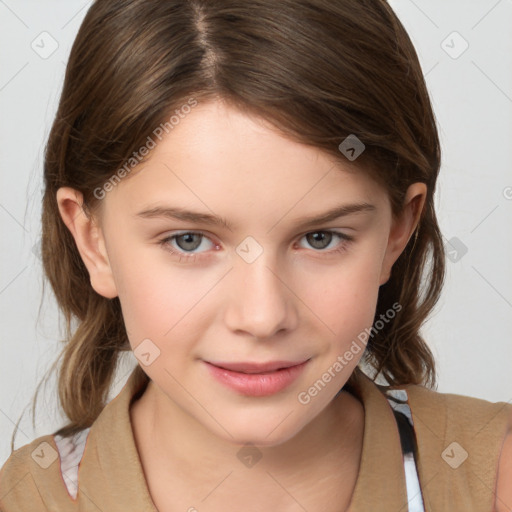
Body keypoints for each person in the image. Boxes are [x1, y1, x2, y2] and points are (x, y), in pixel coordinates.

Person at [1, 0, 511, 510]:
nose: (263, 317)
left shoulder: (493, 477)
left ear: (397, 231)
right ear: (94, 243)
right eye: (189, 240)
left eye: (320, 238)